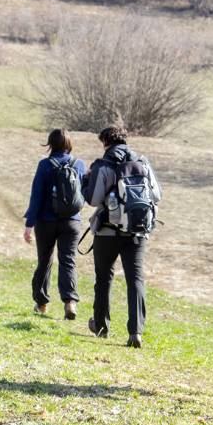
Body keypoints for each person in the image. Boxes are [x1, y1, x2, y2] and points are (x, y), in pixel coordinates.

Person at [83, 124, 162, 349]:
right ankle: (136, 331)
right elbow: (156, 195)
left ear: (105, 142)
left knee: (103, 277)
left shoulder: (103, 165)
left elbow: (94, 200)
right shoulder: (142, 163)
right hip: (137, 231)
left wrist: (86, 180)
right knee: (135, 279)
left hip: (107, 231)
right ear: (125, 140)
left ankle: (100, 326)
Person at [23, 128, 87, 320]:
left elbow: (37, 196)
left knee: (45, 261)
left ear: (50, 143)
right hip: (71, 222)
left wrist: (29, 224)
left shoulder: (44, 165)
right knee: (68, 261)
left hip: (46, 221)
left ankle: (41, 303)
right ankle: (70, 302)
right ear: (69, 144)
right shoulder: (79, 164)